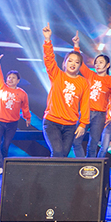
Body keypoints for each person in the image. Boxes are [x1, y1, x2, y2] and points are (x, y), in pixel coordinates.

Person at [42, 23, 90, 158]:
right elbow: (49, 59)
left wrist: (83, 124)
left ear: (80, 66)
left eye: (76, 62)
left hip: (70, 126)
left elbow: (85, 104)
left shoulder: (83, 82)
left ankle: (53, 172)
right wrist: (47, 40)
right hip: (52, 122)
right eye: (70, 61)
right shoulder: (56, 75)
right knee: (57, 152)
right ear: (65, 63)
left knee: (63, 155)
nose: (73, 64)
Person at [72, 32, 111, 158]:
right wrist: (76, 46)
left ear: (107, 65)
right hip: (85, 113)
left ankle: (90, 167)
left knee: (92, 145)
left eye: (101, 62)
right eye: (96, 62)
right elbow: (80, 64)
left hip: (100, 116)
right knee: (75, 141)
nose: (97, 65)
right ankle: (81, 164)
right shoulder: (90, 75)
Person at [0, 50, 31, 175]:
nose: (10, 79)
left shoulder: (22, 93)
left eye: (13, 78)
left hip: (12, 124)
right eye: (9, 77)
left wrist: (27, 117)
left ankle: (4, 164)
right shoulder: (2, 87)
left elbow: (25, 106)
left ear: (18, 80)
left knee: (5, 145)